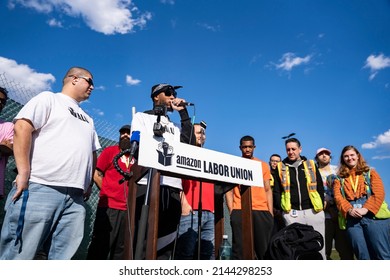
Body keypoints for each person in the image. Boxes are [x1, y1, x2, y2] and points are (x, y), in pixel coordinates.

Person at [0, 67, 100, 260]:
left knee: (60, 258)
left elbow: (92, 151)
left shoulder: (88, 119)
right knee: (19, 254)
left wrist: (87, 184)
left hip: (75, 198)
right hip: (40, 186)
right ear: (73, 79)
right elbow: (22, 127)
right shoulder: (49, 99)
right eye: (90, 81)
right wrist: (23, 172)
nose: (93, 87)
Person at [130, 83, 195, 259]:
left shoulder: (175, 125)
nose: (172, 96)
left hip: (172, 186)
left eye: (174, 93)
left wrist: (183, 113)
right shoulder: (141, 117)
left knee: (167, 241)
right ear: (155, 96)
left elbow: (190, 145)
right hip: (148, 183)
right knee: (143, 238)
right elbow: (137, 146)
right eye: (168, 93)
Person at [333, 145, 390, 260]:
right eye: (346, 156)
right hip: (352, 217)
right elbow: (338, 198)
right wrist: (349, 210)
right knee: (362, 256)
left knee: (381, 253)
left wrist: (365, 209)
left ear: (358, 156)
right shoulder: (339, 179)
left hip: (372, 215)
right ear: (342, 159)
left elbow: (379, 193)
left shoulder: (370, 173)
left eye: (352, 155)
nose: (349, 158)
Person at [273, 138, 326, 259]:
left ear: (300, 149)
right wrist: (282, 210)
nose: (291, 152)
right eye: (288, 149)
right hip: (292, 213)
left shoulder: (311, 164)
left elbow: (320, 187)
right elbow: (277, 190)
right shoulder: (280, 167)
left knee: (319, 245)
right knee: (296, 248)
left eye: (293, 149)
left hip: (314, 211)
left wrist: (320, 205)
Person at [87, 124, 134, 260]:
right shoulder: (110, 151)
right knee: (101, 246)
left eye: (128, 133)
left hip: (128, 211)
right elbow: (97, 173)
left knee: (121, 250)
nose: (125, 135)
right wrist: (109, 191)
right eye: (122, 133)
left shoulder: (137, 157)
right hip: (109, 208)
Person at [226, 135, 274, 260]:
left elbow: (268, 189)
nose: (247, 149)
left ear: (254, 147)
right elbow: (229, 190)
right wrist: (232, 209)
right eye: (245, 147)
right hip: (239, 209)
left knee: (263, 249)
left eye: (250, 147)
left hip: (261, 210)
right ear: (240, 148)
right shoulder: (234, 164)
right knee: (240, 249)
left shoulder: (262, 165)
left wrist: (270, 212)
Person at [174, 123, 215, 260]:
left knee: (207, 255)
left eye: (203, 133)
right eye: (198, 132)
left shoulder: (210, 157)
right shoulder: (182, 152)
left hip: (210, 212)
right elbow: (175, 181)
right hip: (190, 211)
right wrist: (183, 204)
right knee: (185, 254)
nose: (201, 136)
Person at [315, 147, 354, 260]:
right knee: (324, 248)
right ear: (317, 158)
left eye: (326, 154)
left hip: (341, 214)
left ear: (330, 157)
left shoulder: (338, 170)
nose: (324, 156)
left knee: (345, 248)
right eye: (321, 154)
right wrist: (328, 208)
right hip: (324, 215)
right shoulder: (313, 172)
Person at [0, 86, 14, 201]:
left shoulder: (8, 126)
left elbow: (10, 148)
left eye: (3, 101)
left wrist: (5, 147)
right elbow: (3, 147)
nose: (0, 103)